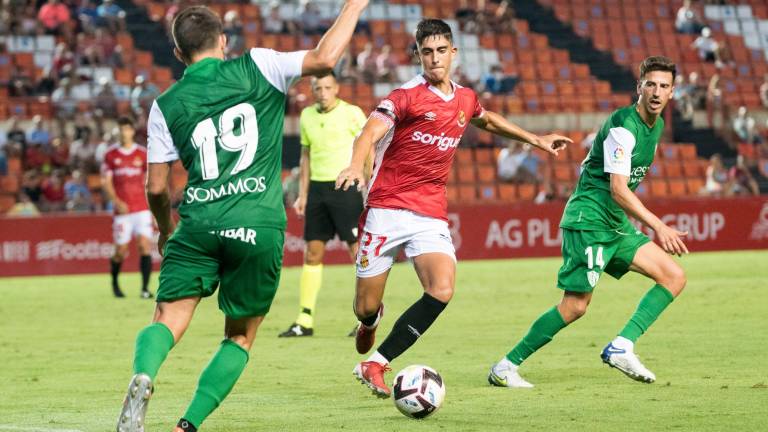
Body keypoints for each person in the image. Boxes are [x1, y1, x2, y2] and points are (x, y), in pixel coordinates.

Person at [115, 3, 368, 432]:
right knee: (239, 336)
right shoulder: (260, 65)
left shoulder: (166, 104)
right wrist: (355, 4)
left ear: (178, 53)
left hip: (198, 224)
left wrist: (165, 230)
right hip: (258, 223)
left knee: (167, 318)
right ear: (223, 42)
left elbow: (156, 188)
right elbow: (325, 58)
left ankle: (144, 375)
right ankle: (186, 425)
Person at [335, 18, 571, 398]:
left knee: (442, 289)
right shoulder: (404, 96)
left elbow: (486, 119)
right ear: (418, 55)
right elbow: (369, 132)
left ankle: (375, 362)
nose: (434, 58)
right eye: (426, 52)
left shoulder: (464, 98)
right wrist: (353, 164)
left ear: (453, 53)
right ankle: (370, 320)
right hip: (387, 208)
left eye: (441, 51)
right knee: (365, 306)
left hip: (429, 210)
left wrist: (535, 139)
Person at [488, 56, 688, 388]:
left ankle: (622, 346)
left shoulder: (658, 126)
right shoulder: (624, 127)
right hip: (589, 220)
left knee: (673, 276)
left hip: (613, 222)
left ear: (672, 92)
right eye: (650, 84)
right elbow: (619, 189)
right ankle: (506, 366)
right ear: (639, 87)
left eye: (663, 86)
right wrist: (659, 226)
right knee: (576, 305)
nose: (656, 92)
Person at [279, 71, 368, 338]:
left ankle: (367, 318)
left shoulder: (352, 113)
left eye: (328, 87)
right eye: (318, 88)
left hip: (346, 187)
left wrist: (366, 176)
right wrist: (303, 194)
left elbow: (369, 146)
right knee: (313, 253)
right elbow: (305, 156)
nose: (323, 92)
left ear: (336, 88)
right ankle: (304, 320)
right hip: (317, 190)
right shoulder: (307, 115)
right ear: (314, 90)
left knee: (358, 253)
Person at [102, 116, 153, 299]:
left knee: (144, 245)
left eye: (127, 129)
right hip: (122, 211)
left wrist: (153, 207)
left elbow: (149, 182)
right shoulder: (111, 155)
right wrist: (116, 201)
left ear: (132, 131)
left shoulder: (142, 154)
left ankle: (145, 289)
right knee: (121, 250)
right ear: (118, 132)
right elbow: (106, 182)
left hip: (141, 208)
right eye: (121, 130)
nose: (124, 133)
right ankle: (115, 283)